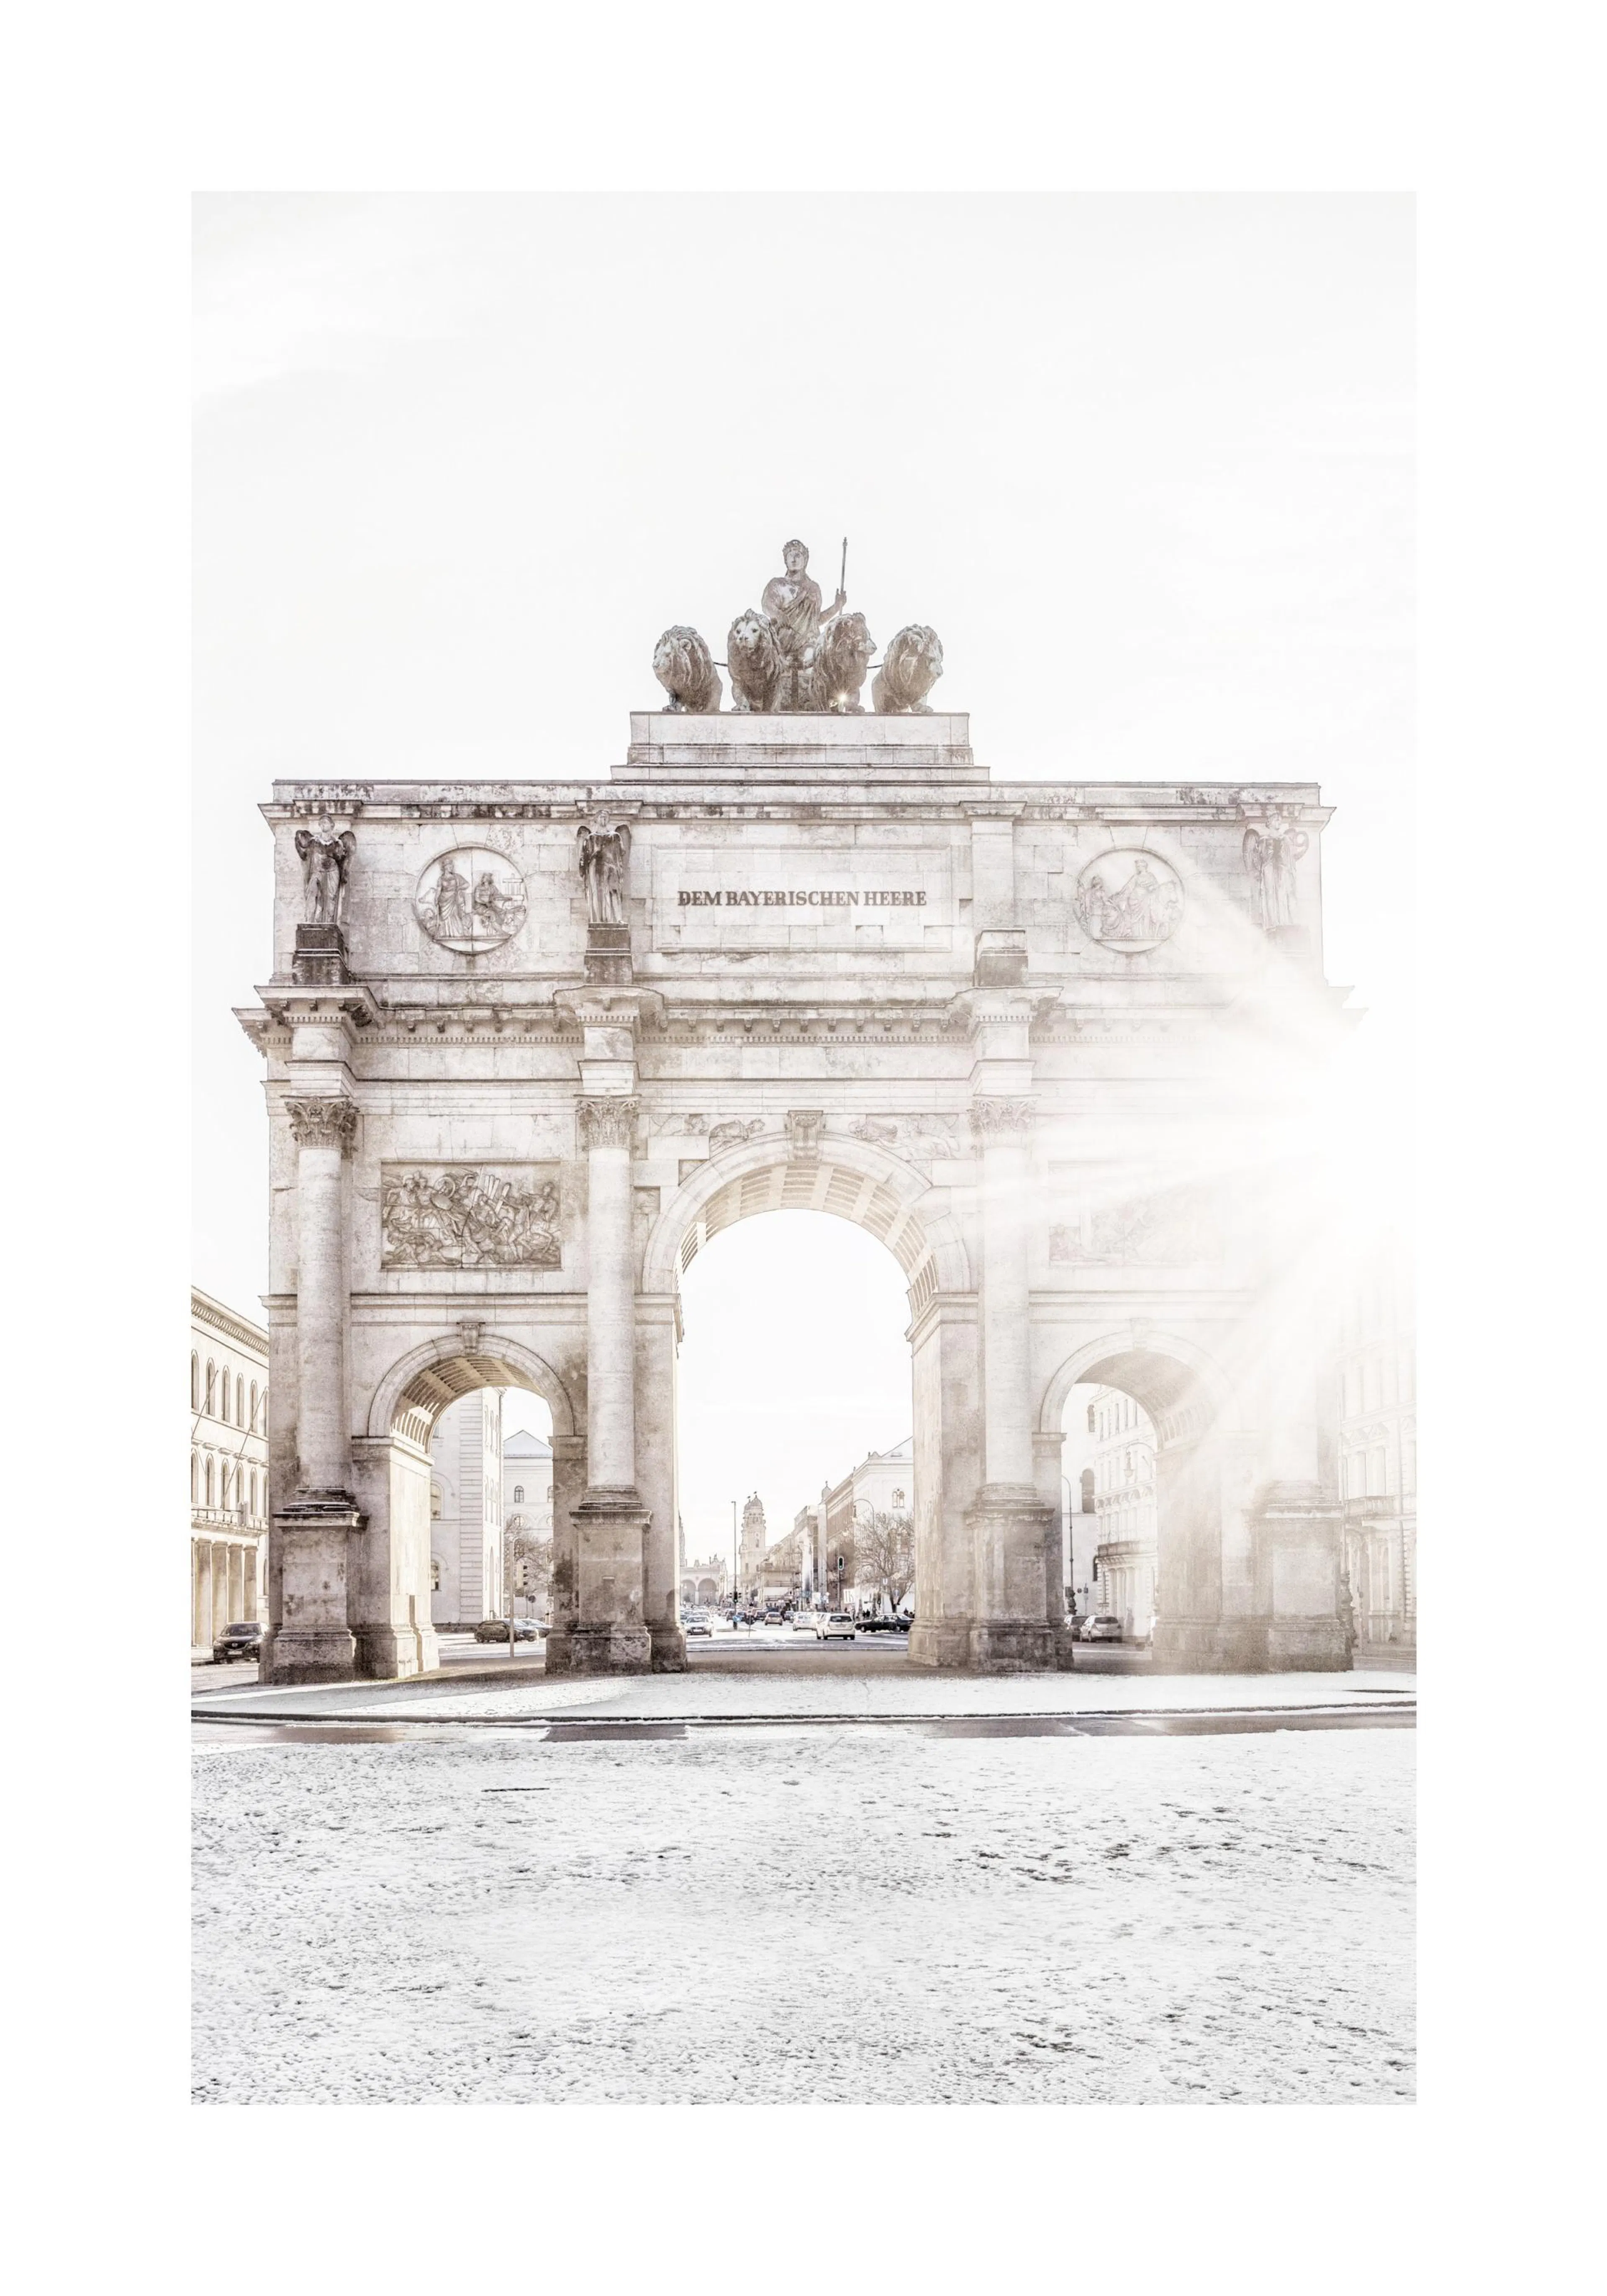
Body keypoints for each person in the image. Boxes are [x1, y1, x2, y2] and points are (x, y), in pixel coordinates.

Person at [761, 539, 846, 710]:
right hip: (782, 641)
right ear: (785, 560)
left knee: (823, 662)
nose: (794, 559)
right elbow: (767, 606)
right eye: (790, 556)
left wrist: (836, 608)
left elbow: (816, 620)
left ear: (805, 559)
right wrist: (778, 614)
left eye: (798, 555)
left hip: (808, 642)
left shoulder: (813, 589)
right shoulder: (777, 585)